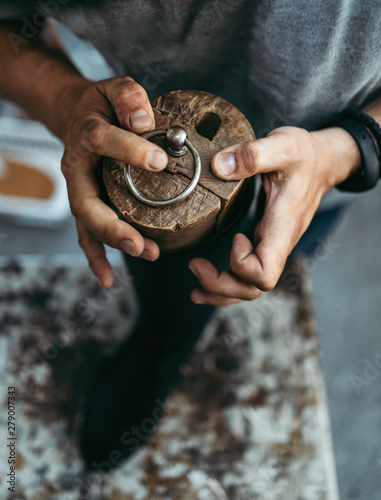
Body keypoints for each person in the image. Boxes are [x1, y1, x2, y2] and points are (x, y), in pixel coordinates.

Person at [1, 0, 380, 471]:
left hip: (326, 181)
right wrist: (69, 105)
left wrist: (349, 149)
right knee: (174, 300)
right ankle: (163, 348)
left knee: (282, 260)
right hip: (141, 192)